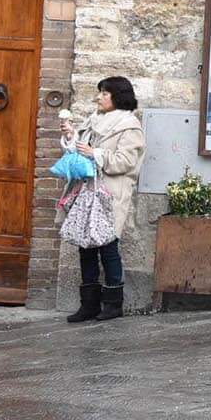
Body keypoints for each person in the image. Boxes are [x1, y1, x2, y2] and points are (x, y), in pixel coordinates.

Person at [64, 76, 145, 324]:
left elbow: (127, 162)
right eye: (100, 93)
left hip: (109, 195)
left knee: (108, 248)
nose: (98, 97)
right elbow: (80, 151)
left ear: (117, 97)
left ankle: (113, 304)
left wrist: (96, 153)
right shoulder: (94, 120)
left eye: (104, 94)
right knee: (85, 247)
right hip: (87, 192)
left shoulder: (129, 126)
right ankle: (88, 304)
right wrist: (71, 137)